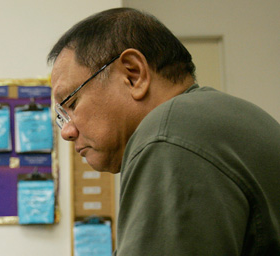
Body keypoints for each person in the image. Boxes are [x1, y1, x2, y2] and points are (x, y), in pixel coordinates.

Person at [48, 7, 280, 255]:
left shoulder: (169, 134)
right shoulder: (219, 118)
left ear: (133, 75)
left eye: (71, 103)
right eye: (62, 118)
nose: (67, 132)